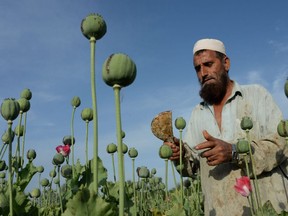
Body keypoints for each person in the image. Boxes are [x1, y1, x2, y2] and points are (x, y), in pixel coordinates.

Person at [165, 38, 288, 216]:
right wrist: (181, 156)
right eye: (197, 69)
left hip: (266, 208)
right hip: (220, 210)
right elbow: (193, 167)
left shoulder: (256, 95)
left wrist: (235, 151)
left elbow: (282, 143)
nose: (203, 73)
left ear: (226, 63)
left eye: (208, 64)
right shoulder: (197, 113)